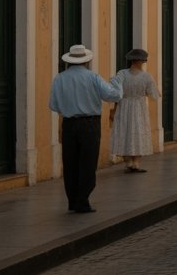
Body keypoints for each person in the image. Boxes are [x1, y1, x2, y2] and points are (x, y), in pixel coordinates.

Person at [48, 44, 122, 212]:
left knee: (70, 163)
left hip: (69, 124)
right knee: (87, 162)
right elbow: (113, 95)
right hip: (90, 124)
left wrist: (69, 107)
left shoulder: (59, 78)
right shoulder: (93, 77)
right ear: (87, 61)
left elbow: (53, 105)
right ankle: (82, 200)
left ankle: (72, 200)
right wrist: (117, 84)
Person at [109, 48, 159, 173]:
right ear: (142, 61)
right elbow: (154, 94)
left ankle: (128, 162)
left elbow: (116, 92)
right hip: (139, 107)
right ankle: (136, 162)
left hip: (123, 105)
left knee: (124, 131)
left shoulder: (121, 74)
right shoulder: (146, 76)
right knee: (138, 132)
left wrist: (114, 109)